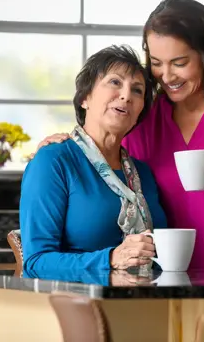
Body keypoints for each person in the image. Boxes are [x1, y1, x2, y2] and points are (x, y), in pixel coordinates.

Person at [32, 0, 204, 271]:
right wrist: (63, 146)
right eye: (156, 62)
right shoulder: (144, 118)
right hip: (160, 286)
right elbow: (104, 155)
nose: (166, 76)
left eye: (179, 62)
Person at [20, 45, 167, 279]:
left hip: (148, 303)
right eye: (115, 82)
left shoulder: (144, 174)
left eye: (137, 90)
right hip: (77, 305)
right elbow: (36, 262)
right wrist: (110, 259)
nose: (126, 95)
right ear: (85, 98)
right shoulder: (53, 161)